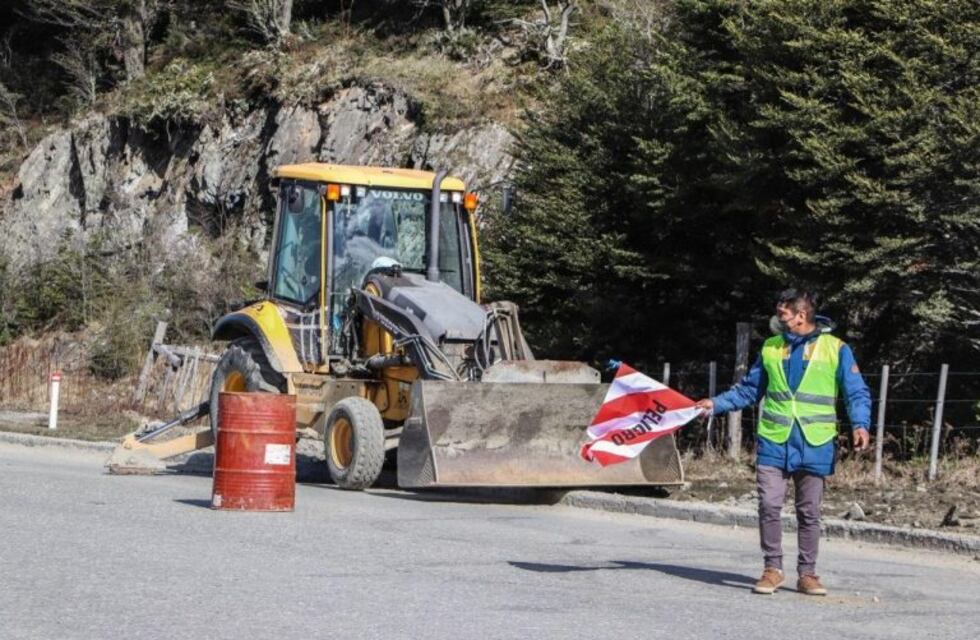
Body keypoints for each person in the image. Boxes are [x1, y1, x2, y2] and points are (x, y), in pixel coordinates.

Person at [694, 289, 871, 596]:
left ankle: (808, 574)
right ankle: (772, 569)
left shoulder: (836, 349)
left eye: (782, 313)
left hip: (816, 442)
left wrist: (860, 424)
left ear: (801, 316)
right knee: (768, 504)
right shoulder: (771, 347)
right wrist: (715, 404)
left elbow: (856, 391)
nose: (777, 318)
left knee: (809, 511)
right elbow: (749, 390)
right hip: (774, 440)